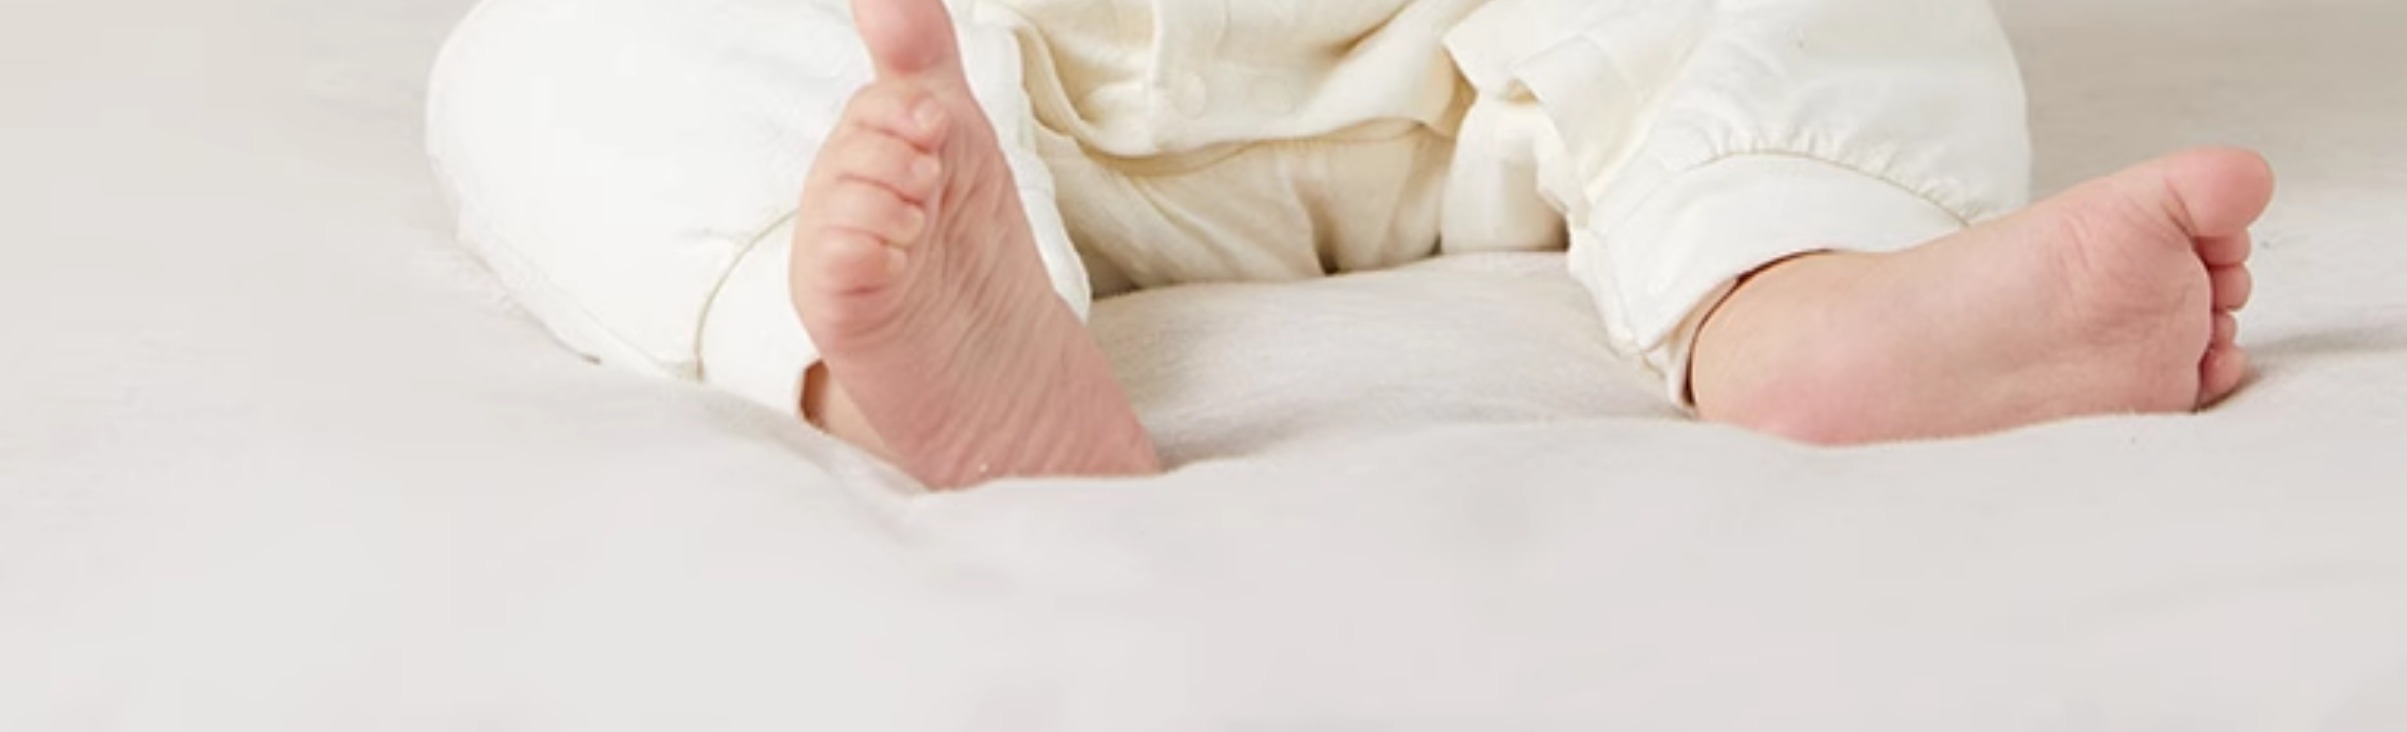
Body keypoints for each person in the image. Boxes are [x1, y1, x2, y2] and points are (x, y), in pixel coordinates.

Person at [430, 0, 2272, 491]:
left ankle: (1790, 270)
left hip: (1484, 77)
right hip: (993, 98)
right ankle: (912, 333)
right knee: (570, 47)